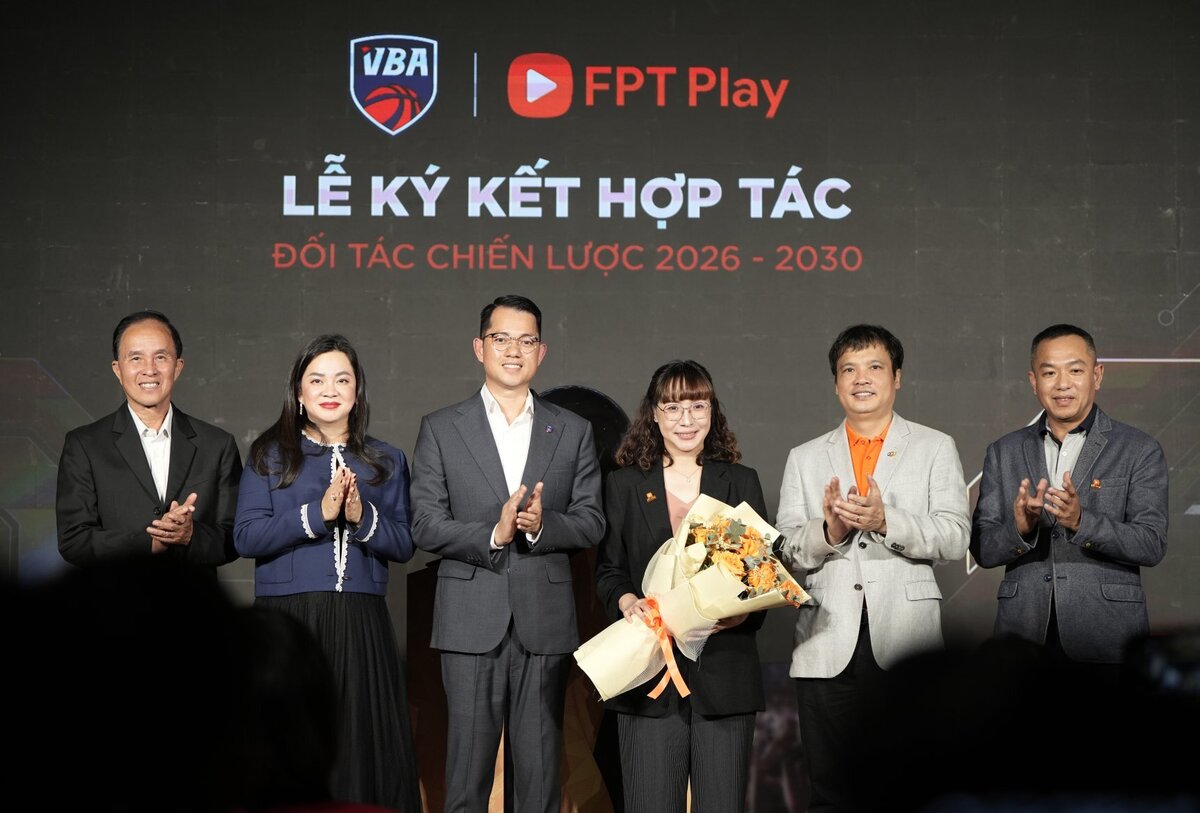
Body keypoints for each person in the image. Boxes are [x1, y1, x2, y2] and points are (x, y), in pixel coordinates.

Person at [410, 294, 605, 813]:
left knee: (540, 778)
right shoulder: (442, 427)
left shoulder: (571, 429)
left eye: (526, 340)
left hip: (545, 620)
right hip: (469, 619)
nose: (513, 350)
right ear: (480, 348)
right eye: (501, 339)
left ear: (542, 352)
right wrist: (493, 535)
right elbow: (424, 522)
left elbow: (592, 520)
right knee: (467, 776)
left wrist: (543, 526)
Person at [775, 324, 970, 812]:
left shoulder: (934, 446)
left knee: (910, 788)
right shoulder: (804, 457)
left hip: (907, 643)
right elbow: (785, 552)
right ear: (836, 383)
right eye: (849, 370)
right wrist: (829, 532)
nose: (861, 379)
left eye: (874, 367)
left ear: (896, 377)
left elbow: (954, 537)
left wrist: (886, 521)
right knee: (829, 792)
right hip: (826, 641)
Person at [234, 334, 419, 812]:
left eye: (342, 379)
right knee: (292, 746)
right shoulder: (269, 455)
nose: (329, 390)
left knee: (360, 746)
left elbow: (404, 543)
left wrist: (360, 516)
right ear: (299, 392)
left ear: (358, 391)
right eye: (316, 380)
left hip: (361, 623)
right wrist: (317, 513)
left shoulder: (387, 459)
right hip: (290, 623)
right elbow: (246, 537)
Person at [594, 359, 768, 813]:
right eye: (673, 407)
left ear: (712, 411)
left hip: (724, 674)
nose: (686, 419)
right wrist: (627, 600)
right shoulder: (624, 485)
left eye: (697, 405)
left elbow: (761, 575)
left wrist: (743, 612)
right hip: (648, 676)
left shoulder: (740, 481)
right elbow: (609, 570)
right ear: (654, 414)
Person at [969, 323, 1169, 670]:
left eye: (1075, 370)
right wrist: (1021, 528)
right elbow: (983, 549)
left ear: (1097, 375)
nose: (1062, 383)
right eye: (1049, 372)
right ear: (1034, 381)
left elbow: (1151, 544)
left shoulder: (1139, 449)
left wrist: (1081, 522)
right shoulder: (1004, 451)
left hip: (1106, 634)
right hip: (1023, 639)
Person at [56, 309, 241, 571]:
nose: (149, 370)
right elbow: (74, 540)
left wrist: (191, 535)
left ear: (178, 367)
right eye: (136, 358)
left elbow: (236, 537)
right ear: (118, 369)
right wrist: (148, 544)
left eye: (161, 357)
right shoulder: (85, 445)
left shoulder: (217, 445)